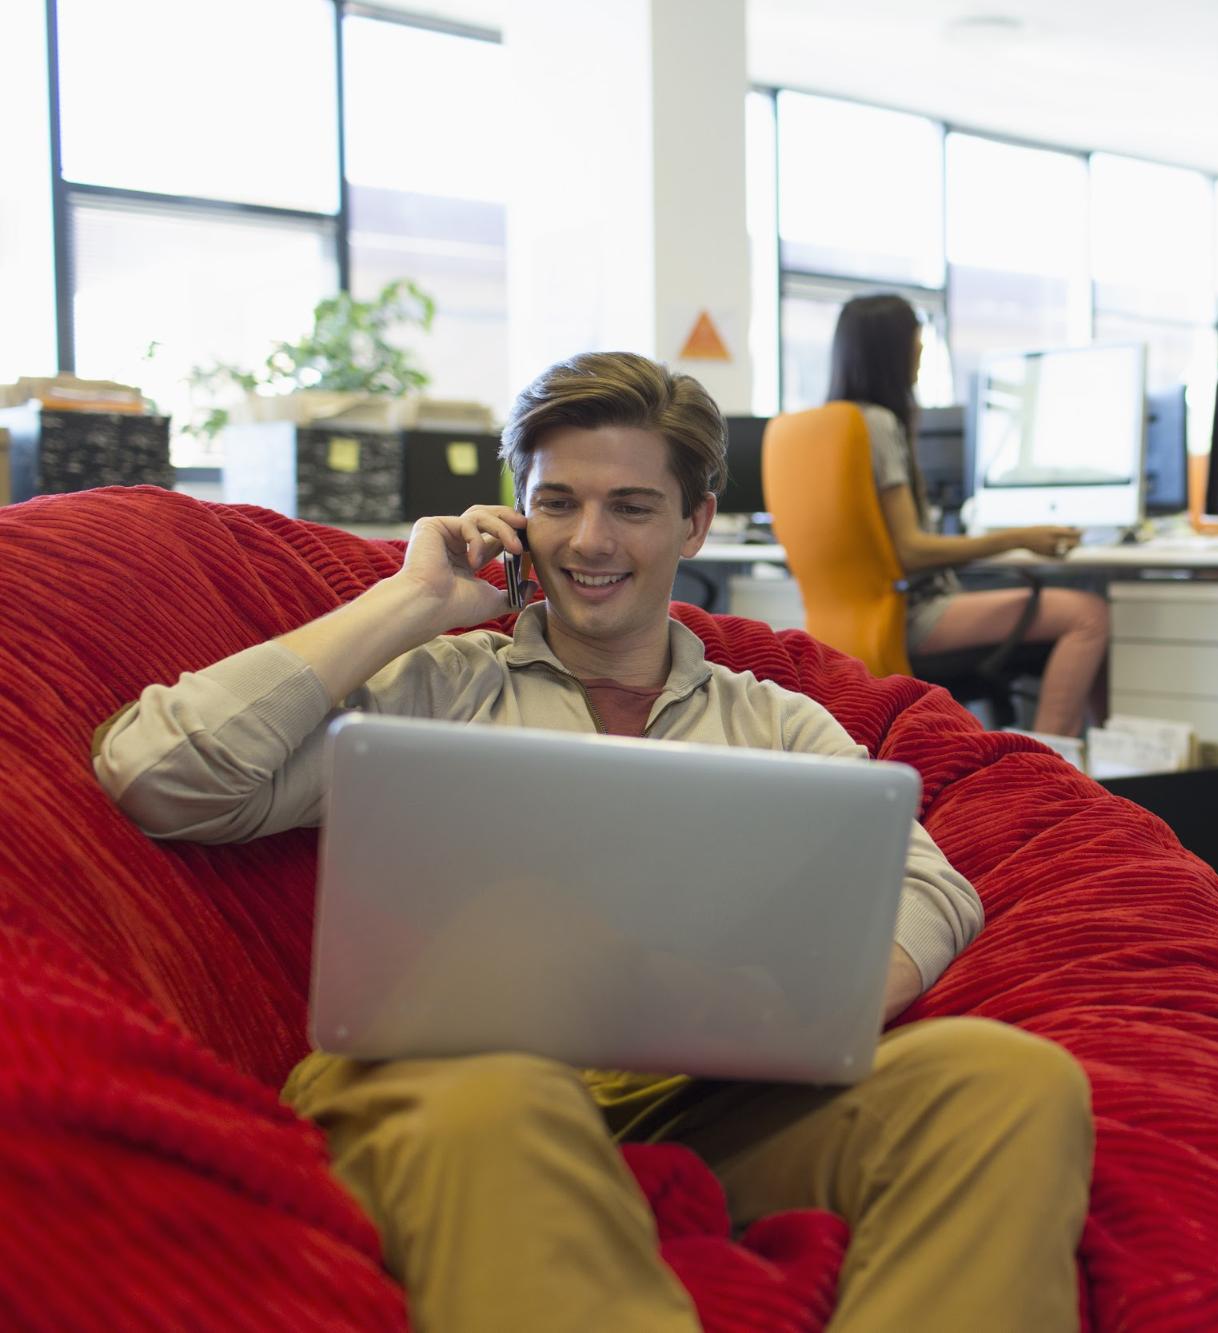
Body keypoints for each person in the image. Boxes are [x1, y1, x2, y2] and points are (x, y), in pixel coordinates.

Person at [91, 351, 1094, 1333]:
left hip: (697, 1097)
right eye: (558, 501)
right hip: (448, 1073)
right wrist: (407, 603)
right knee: (500, 1063)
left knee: (1008, 1080)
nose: (587, 539)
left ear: (695, 522)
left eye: (631, 506)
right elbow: (163, 776)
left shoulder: (774, 721)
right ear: (517, 509)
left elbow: (933, 887)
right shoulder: (438, 687)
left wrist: (792, 1007)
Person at [829, 293, 1110, 736]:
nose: (922, 348)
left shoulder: (828, 425)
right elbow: (911, 550)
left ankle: (1101, 764)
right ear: (894, 347)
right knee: (1089, 613)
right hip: (913, 615)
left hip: (860, 616)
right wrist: (1019, 537)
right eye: (916, 336)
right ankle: (1051, 770)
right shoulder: (878, 425)